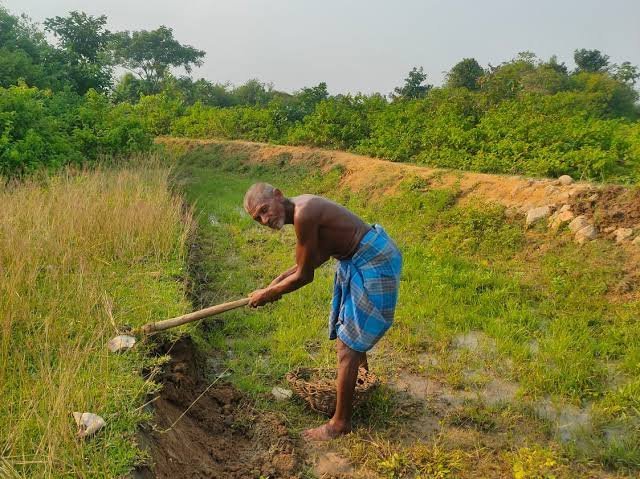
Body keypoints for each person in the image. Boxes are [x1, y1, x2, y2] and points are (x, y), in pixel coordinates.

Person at [244, 182, 402, 441]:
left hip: (373, 259)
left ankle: (340, 424)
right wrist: (270, 287)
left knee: (347, 346)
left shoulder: (305, 213)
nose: (264, 220)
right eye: (257, 218)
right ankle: (361, 380)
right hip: (358, 259)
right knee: (349, 333)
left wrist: (269, 294)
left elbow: (305, 276)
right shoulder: (301, 214)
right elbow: (305, 264)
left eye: (264, 210)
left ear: (278, 195)